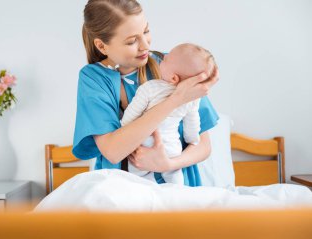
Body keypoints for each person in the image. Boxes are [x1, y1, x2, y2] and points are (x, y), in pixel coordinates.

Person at [73, 0, 219, 186]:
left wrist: (167, 164)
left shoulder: (172, 65)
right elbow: (113, 150)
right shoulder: (94, 79)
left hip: (179, 188)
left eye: (146, 31)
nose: (145, 46)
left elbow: (203, 146)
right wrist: (175, 100)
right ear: (102, 46)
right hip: (122, 191)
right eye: (132, 41)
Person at [120, 43, 216, 184]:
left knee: (138, 177)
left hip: (145, 145)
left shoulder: (150, 87)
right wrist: (192, 139)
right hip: (172, 149)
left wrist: (124, 126)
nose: (162, 57)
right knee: (175, 179)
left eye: (165, 60)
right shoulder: (192, 99)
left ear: (174, 78)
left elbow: (131, 115)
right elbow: (192, 124)